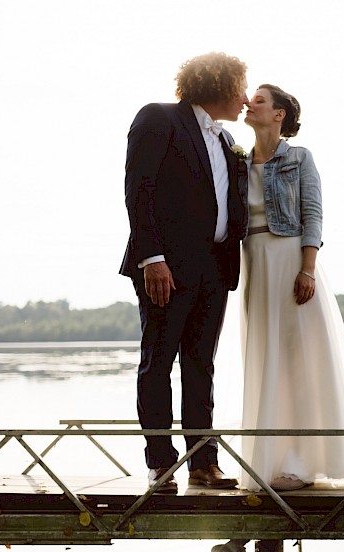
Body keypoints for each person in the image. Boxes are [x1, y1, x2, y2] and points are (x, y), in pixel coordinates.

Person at [120, 53, 249, 493]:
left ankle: (203, 463)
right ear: (221, 84)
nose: (246, 98)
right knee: (158, 363)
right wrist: (151, 258)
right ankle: (160, 461)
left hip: (214, 270)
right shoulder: (158, 118)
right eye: (241, 87)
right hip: (165, 270)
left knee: (201, 366)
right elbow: (139, 189)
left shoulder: (228, 138)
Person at [238, 84, 344, 491]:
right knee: (265, 359)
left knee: (299, 363)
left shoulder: (299, 157)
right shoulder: (235, 161)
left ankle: (301, 463)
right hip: (255, 263)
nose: (248, 102)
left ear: (278, 114)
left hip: (292, 261)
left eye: (259, 99)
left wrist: (307, 269)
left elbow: (314, 214)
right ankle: (269, 459)